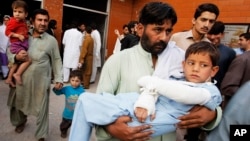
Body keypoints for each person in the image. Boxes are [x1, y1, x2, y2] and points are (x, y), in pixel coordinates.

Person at [77, 2, 221, 141]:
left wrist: (213, 114)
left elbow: (206, 90)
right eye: (158, 30)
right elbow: (100, 106)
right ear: (140, 29)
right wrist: (112, 129)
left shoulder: (181, 59)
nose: (164, 37)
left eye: (168, 31)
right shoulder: (118, 61)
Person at [69, 41, 222, 141]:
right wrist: (145, 103)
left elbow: (186, 95)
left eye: (203, 65)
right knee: (85, 100)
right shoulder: (120, 59)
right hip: (136, 111)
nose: (195, 68)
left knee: (87, 104)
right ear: (183, 64)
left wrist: (154, 83)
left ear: (213, 71)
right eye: (191, 63)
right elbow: (151, 91)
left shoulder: (209, 91)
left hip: (152, 123)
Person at [6, 9, 63, 141]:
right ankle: (20, 122)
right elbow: (10, 50)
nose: (43, 23)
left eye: (45, 20)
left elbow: (56, 60)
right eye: (39, 20)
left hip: (40, 81)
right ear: (32, 21)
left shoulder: (51, 41)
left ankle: (41, 134)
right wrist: (15, 56)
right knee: (18, 104)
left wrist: (59, 78)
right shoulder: (22, 34)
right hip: (19, 78)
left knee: (42, 109)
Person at [170, 3, 220, 140]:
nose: (207, 24)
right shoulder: (176, 38)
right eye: (203, 19)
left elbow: (208, 79)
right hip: (172, 96)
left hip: (195, 101)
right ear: (194, 20)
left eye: (211, 21)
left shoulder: (210, 46)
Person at [5, 0, 31, 86]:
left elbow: (24, 31)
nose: (17, 14)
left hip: (21, 45)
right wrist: (17, 36)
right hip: (17, 45)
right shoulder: (13, 21)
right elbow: (7, 32)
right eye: (15, 11)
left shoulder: (22, 22)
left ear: (26, 14)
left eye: (20, 12)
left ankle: (9, 78)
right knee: (28, 60)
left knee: (17, 62)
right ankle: (17, 74)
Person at [220, 32, 250, 109]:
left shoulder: (242, 59)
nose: (238, 42)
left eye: (241, 40)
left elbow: (228, 87)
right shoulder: (242, 58)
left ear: (248, 41)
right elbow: (228, 87)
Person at [52, 70, 85, 138]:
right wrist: (56, 88)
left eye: (77, 81)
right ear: (70, 79)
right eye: (72, 80)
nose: (74, 83)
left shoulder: (82, 91)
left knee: (77, 126)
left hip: (77, 114)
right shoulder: (67, 89)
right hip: (67, 113)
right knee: (64, 125)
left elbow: (85, 101)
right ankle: (63, 132)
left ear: (81, 81)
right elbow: (58, 93)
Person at [206, 21, 236, 89]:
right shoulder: (199, 48)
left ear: (222, 34)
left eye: (216, 34)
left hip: (218, 89)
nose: (212, 37)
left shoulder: (229, 52)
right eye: (210, 33)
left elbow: (230, 75)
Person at [0, 15, 10, 80]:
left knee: (7, 61)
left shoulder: (12, 28)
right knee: (3, 60)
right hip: (1, 46)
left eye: (7, 20)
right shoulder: (0, 28)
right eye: (5, 20)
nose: (6, 21)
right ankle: (4, 74)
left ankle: (6, 73)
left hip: (9, 47)